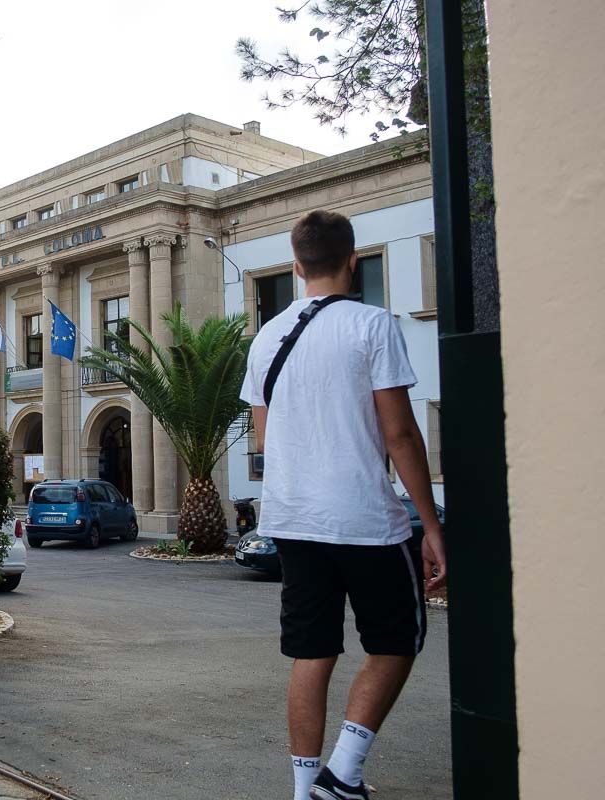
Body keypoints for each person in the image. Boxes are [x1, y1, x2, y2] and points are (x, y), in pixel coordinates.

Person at [240, 210, 447, 800]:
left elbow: (261, 438)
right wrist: (430, 526)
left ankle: (307, 792)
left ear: (297, 264)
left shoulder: (266, 337)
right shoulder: (373, 325)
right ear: (353, 261)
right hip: (365, 521)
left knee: (312, 651)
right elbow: (401, 434)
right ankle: (345, 772)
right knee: (396, 642)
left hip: (293, 520)